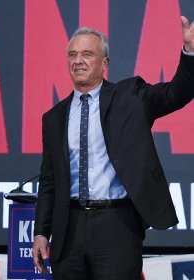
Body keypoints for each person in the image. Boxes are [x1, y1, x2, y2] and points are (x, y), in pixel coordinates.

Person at [32, 15, 194, 280]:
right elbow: (49, 182)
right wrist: (41, 232)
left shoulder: (130, 96)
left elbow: (176, 93)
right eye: (72, 54)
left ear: (104, 63)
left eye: (86, 54)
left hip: (117, 225)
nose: (77, 61)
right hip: (67, 230)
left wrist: (190, 53)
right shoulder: (54, 118)